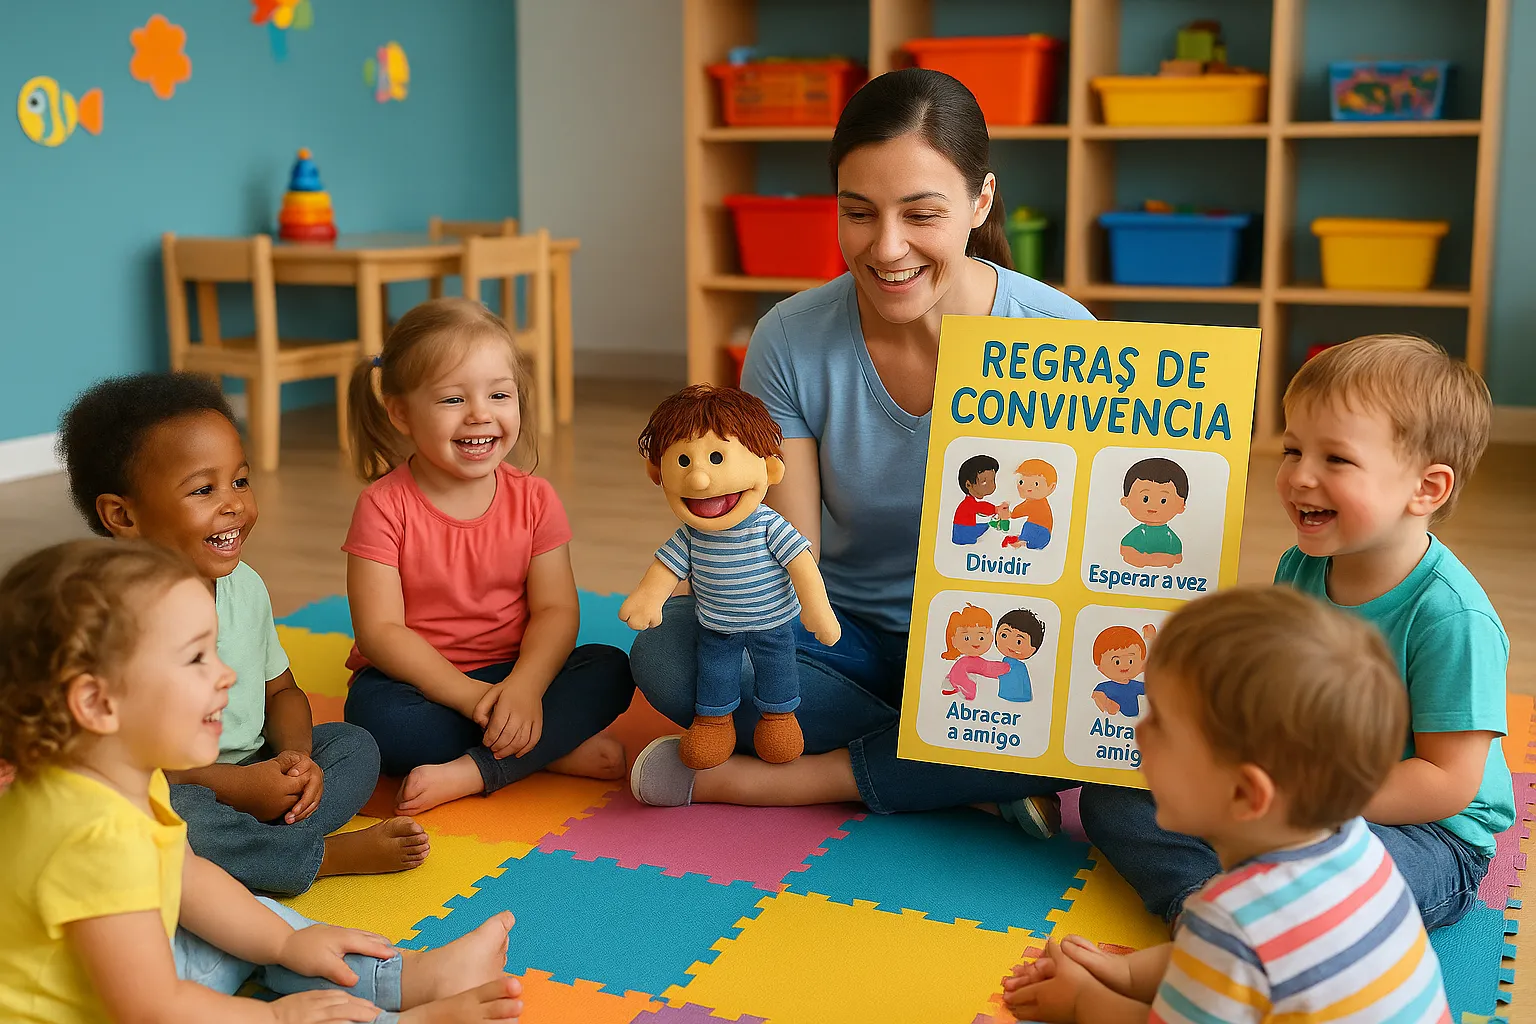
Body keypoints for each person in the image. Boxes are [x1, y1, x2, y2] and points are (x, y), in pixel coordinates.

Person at [627, 67, 1091, 832]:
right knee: (670, 656)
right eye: (858, 213)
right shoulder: (789, 337)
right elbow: (790, 544)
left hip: (1000, 648)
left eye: (921, 214)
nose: (887, 248)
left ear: (980, 202)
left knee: (1100, 708)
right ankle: (960, 768)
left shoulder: (1060, 335)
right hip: (845, 638)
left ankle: (788, 781)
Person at [1082, 334, 1514, 931]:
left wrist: (1302, 804)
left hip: (1427, 835)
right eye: (1292, 449)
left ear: (1426, 488)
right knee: (1117, 797)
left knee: (1323, 879)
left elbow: (1446, 783)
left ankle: (1244, 916)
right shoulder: (1301, 566)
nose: (1299, 477)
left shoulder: (1452, 619)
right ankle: (1207, 907)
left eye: (1335, 460)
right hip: (1300, 787)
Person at [0, 539, 523, 1024]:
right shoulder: (93, 840)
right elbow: (153, 1009)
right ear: (97, 703)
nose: (226, 674)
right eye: (196, 659)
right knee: (285, 1002)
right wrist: (273, 1018)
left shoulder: (109, 777)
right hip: (113, 1008)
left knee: (256, 919)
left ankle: (409, 978)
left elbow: (188, 877)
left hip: (132, 965)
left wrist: (283, 945)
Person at [1001, 586, 1449, 1023]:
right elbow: (1239, 965)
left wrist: (1082, 1002)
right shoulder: (1352, 843)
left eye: (1161, 725)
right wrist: (1125, 973)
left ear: (1243, 793)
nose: (1139, 731)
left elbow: (1230, 951)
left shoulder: (1230, 922)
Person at [56, 373, 425, 896]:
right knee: (166, 814)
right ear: (123, 515)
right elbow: (121, 766)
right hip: (179, 783)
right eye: (204, 489)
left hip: (256, 764)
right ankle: (313, 856)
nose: (233, 504)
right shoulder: (109, 622)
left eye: (241, 481)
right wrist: (233, 787)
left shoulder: (243, 585)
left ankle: (259, 847)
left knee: (354, 745)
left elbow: (281, 690)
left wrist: (294, 759)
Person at [342, 297, 635, 815]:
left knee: (612, 668)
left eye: (499, 394)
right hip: (422, 685)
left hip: (518, 671)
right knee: (378, 721)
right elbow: (380, 633)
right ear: (401, 412)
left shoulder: (535, 498)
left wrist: (524, 687)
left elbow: (555, 610)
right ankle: (541, 749)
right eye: (453, 399)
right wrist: (471, 698)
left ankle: (481, 765)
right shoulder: (382, 506)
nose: (481, 414)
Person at [1001, 459, 1056, 550]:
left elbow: (1019, 511)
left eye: (1036, 484)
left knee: (1028, 525)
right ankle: (1022, 540)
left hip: (1040, 532)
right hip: (1044, 534)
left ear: (1051, 488)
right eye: (1021, 482)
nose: (1027, 488)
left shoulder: (1034, 502)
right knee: (1029, 526)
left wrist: (1010, 514)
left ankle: (1023, 542)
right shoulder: (1038, 501)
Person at [952, 454, 1002, 545]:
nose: (991, 486)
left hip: (967, 528)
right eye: (984, 482)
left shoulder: (971, 501)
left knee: (987, 525)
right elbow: (980, 507)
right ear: (968, 485)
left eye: (992, 481)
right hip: (964, 530)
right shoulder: (968, 503)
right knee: (987, 526)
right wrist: (995, 509)